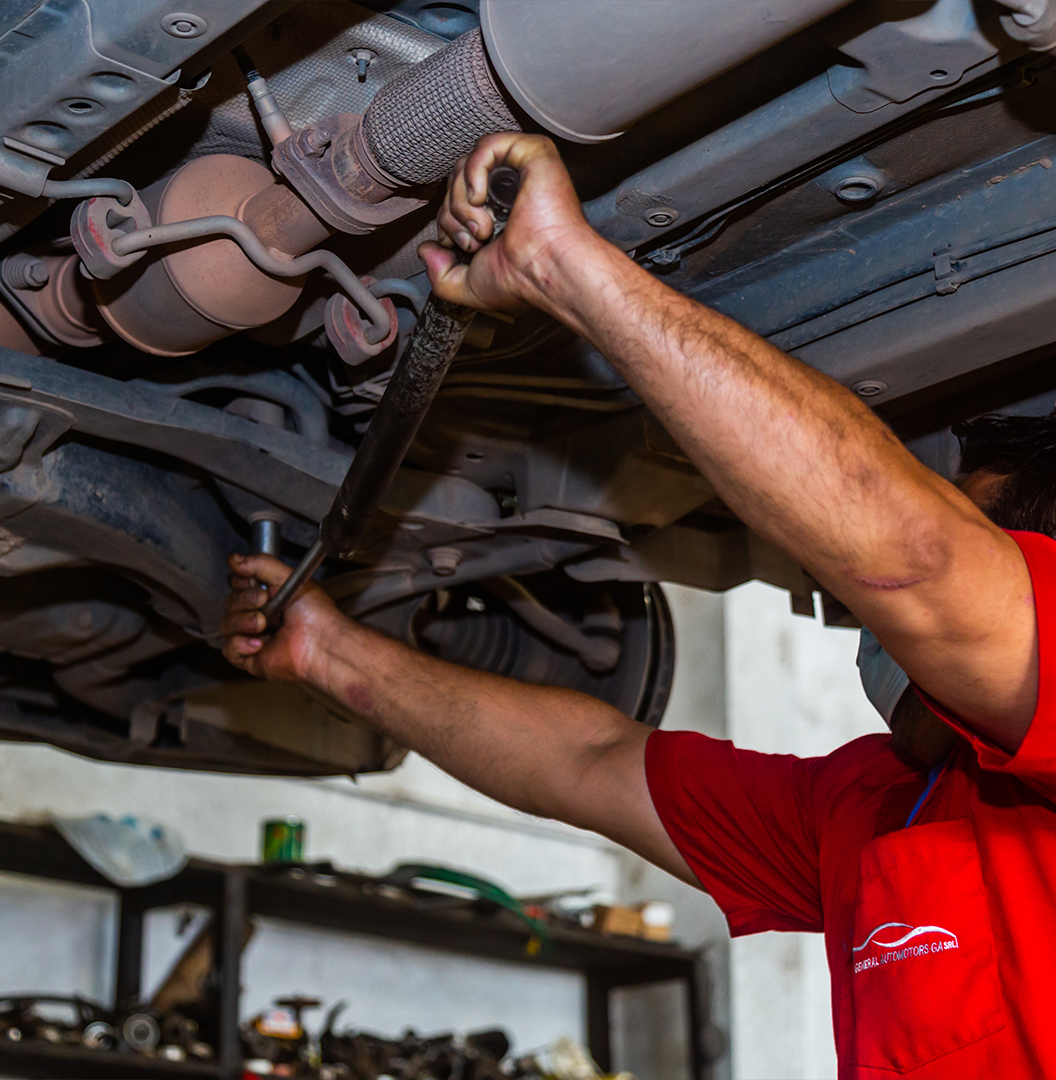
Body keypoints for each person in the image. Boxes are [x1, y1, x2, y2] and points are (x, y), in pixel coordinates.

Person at [222, 134, 1056, 1078]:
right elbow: (591, 763)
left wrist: (566, 266)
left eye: (989, 550)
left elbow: (918, 564)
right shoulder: (880, 812)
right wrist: (328, 652)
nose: (877, 628)